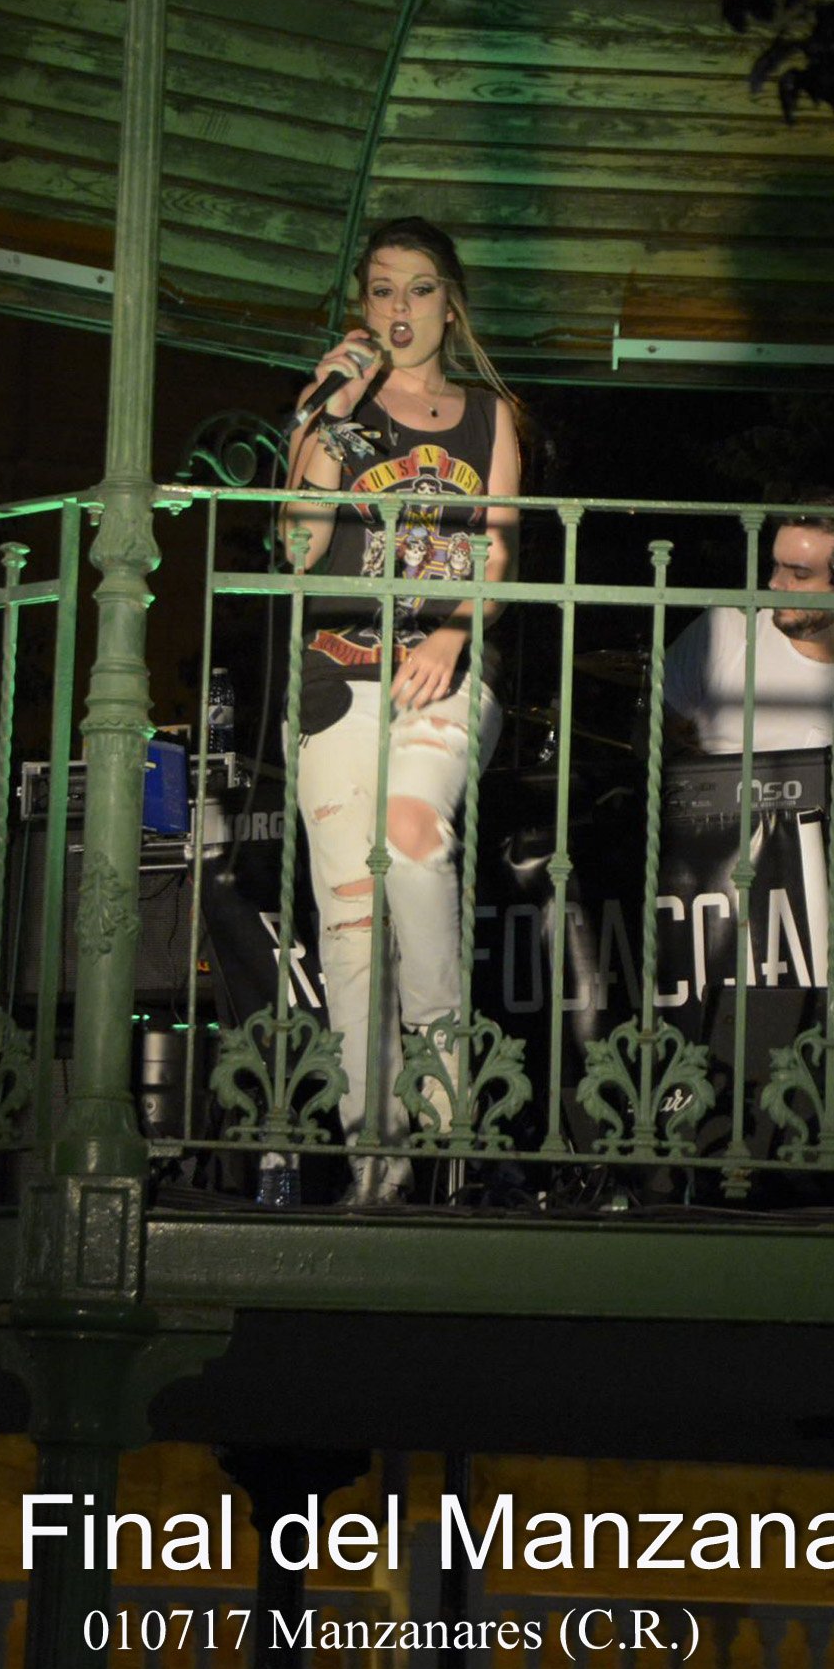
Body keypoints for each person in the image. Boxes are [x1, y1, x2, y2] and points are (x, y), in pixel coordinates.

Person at [279, 216, 525, 1202]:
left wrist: (453, 633)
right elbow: (297, 548)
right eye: (381, 289)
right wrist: (324, 414)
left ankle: (446, 1111)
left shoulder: (488, 415)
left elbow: (497, 549)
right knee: (348, 923)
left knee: (412, 838)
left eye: (419, 289)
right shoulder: (335, 413)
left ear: (448, 304)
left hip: (442, 672)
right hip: (334, 675)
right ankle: (371, 1161)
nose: (399, 309)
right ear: (362, 304)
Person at [660, 495, 834, 790]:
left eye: (800, 574)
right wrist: (705, 781)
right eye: (776, 566)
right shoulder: (727, 625)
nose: (775, 583)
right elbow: (649, 729)